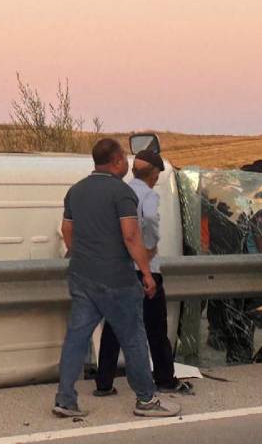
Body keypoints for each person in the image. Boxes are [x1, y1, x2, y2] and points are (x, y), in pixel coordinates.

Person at [56, 139, 179, 418]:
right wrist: (146, 273)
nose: (127, 164)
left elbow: (66, 230)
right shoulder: (121, 193)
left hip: (82, 276)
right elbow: (131, 235)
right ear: (115, 161)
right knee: (134, 337)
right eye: (124, 159)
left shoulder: (75, 191)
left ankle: (65, 399)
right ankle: (146, 400)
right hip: (117, 278)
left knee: (76, 337)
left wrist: (81, 254)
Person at [94, 149, 191, 397]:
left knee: (114, 328)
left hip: (117, 271)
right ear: (155, 174)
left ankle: (103, 383)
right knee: (156, 328)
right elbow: (148, 218)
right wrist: (149, 245)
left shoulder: (119, 192)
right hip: (143, 270)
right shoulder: (147, 195)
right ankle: (165, 379)